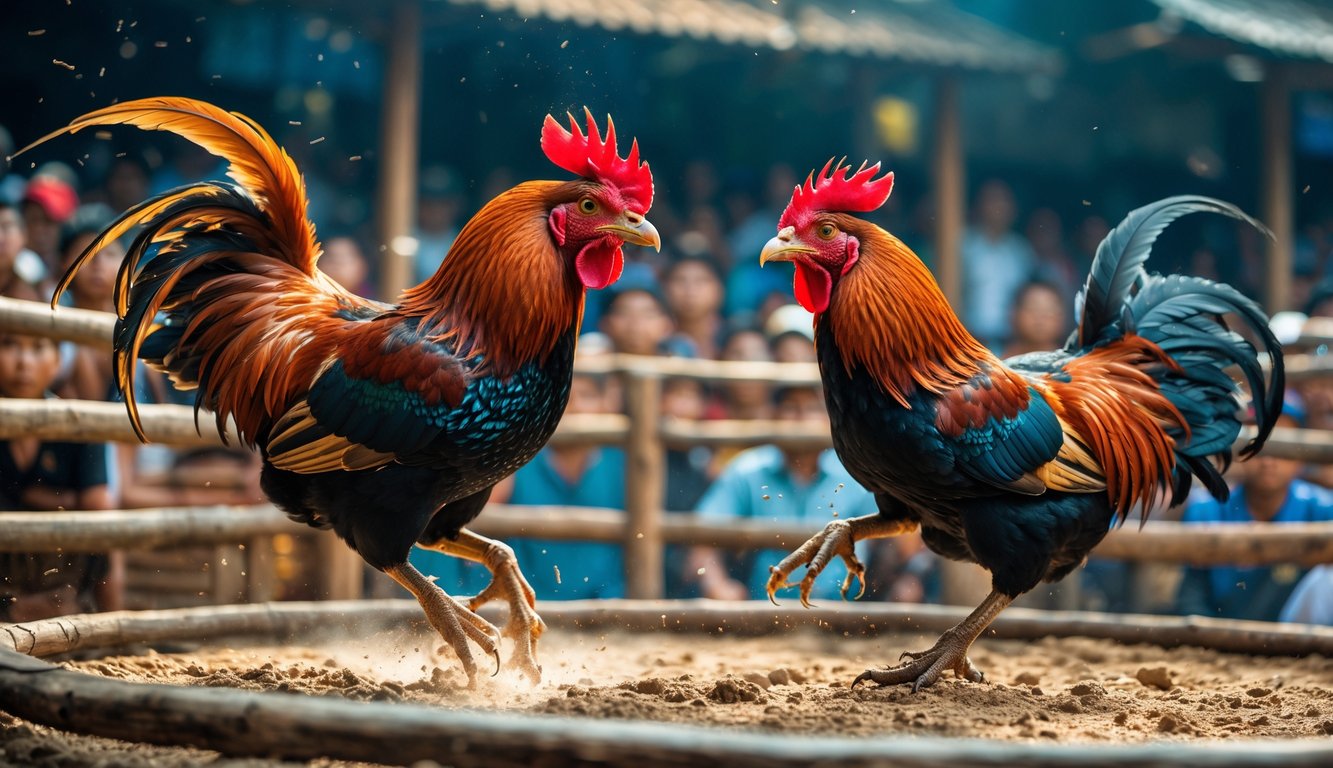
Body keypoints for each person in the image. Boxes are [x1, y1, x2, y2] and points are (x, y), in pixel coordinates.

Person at [0, 284, 123, 622]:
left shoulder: (78, 425)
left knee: (98, 531)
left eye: (38, 347)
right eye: (10, 345)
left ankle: (109, 623)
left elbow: (98, 506)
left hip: (59, 581)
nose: (24, 362)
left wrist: (43, 501)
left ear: (56, 361)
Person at [687, 385, 879, 601]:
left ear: (829, 417)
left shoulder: (853, 473)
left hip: (845, 618)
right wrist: (717, 585)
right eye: (790, 407)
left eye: (812, 408)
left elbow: (891, 543)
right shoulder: (748, 471)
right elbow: (701, 538)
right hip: (761, 616)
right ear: (774, 415)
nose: (801, 417)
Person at [1175, 402, 1333, 622]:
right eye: (1257, 444)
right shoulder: (1206, 510)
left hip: (1297, 641)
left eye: (1282, 447)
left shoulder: (1323, 509)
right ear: (1240, 453)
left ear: (1301, 457)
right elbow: (1193, 594)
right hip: (1219, 636)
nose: (1269, 460)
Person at [960, 179, 1036, 350]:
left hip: (1012, 342)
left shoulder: (1021, 250)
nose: (998, 207)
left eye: (1004, 200)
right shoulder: (964, 244)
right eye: (992, 199)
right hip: (968, 340)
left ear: (1013, 208)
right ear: (978, 206)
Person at [662, 256, 725, 360]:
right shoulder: (656, 337)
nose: (690, 290)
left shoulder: (732, 339)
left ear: (719, 289)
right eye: (680, 280)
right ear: (665, 288)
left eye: (701, 280)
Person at [1003, 280, 1070, 358]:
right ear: (1014, 313)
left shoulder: (1075, 366)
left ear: (1062, 317)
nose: (1040, 317)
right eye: (1032, 308)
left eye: (1049, 310)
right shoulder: (995, 363)